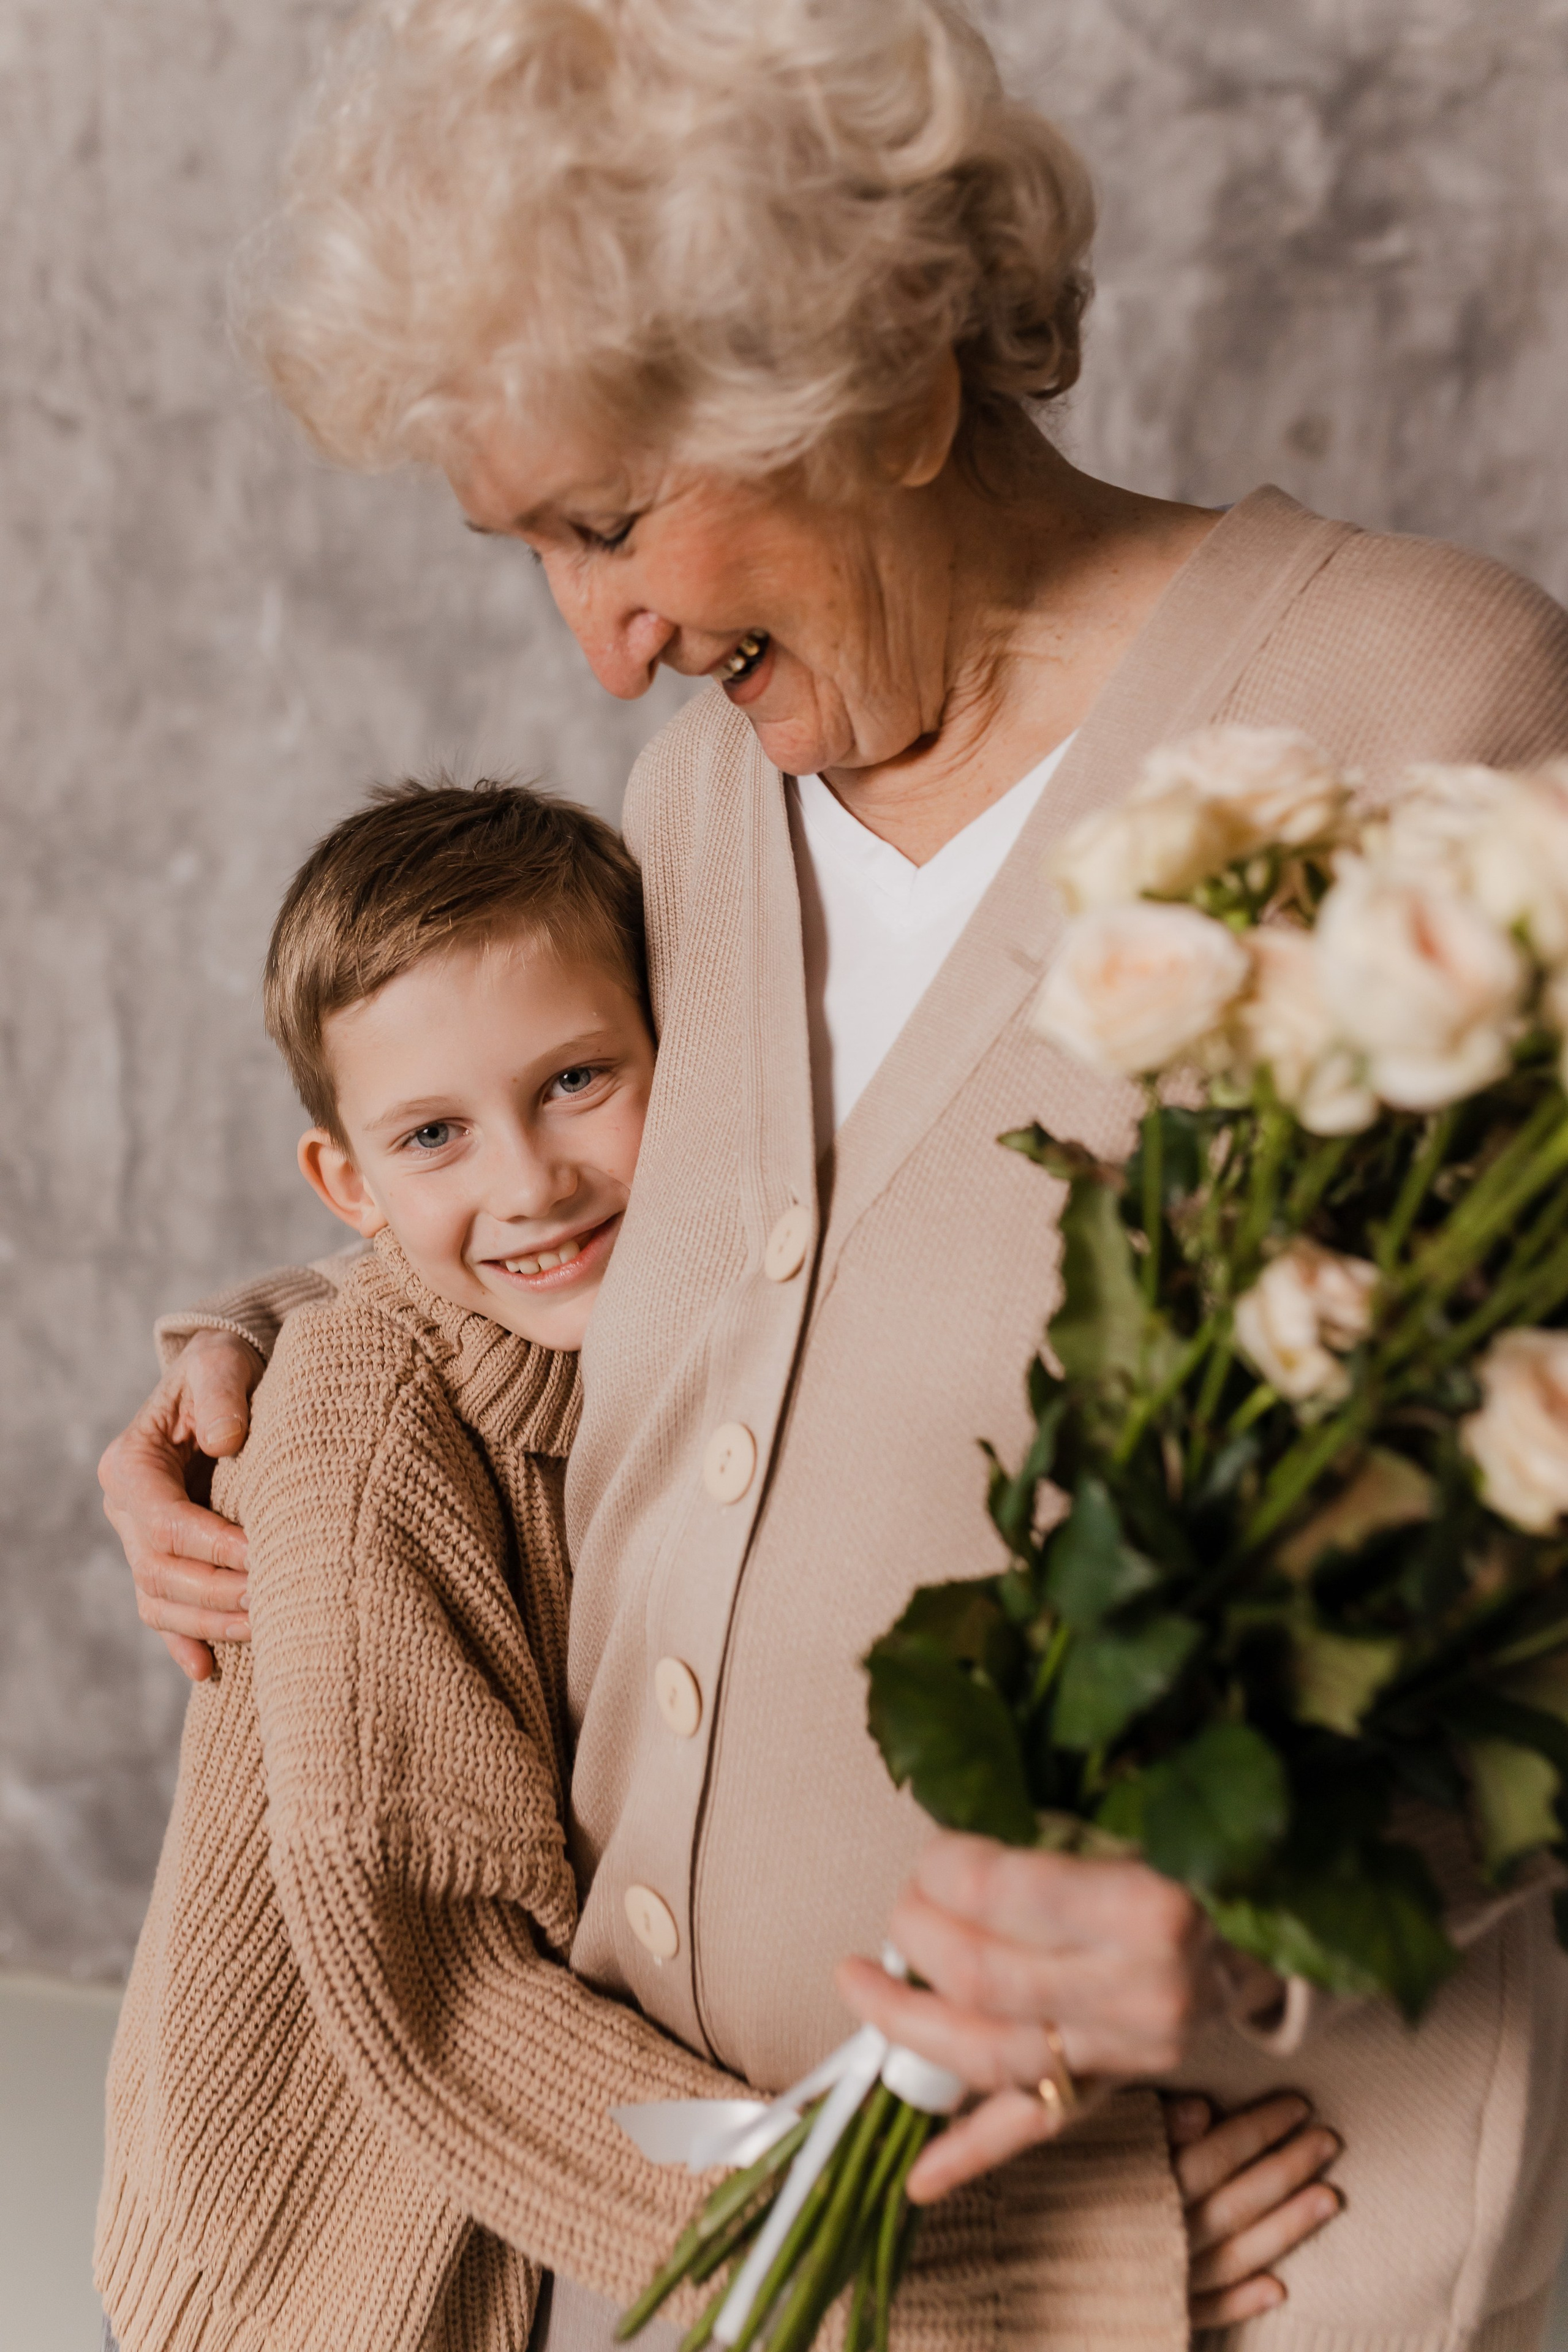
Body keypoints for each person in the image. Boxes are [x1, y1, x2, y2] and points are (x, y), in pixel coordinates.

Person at [98, 3, 1568, 2346]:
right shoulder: (697, 813)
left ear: (882, 381)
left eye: (612, 521)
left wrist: (1271, 1938)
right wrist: (269, 1363)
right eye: (533, 553)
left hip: (1235, 2262)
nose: (604, 654)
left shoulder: (1425, 716)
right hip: (689, 2264)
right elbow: (660, 1312)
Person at [98, 775, 1326, 2352]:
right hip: (326, 2277)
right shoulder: (357, 1438)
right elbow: (444, 2012)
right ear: (348, 1182)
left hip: (520, 2225)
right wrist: (986, 2276)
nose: (530, 1181)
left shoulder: (660, 1341)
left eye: (577, 1081)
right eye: (433, 1134)